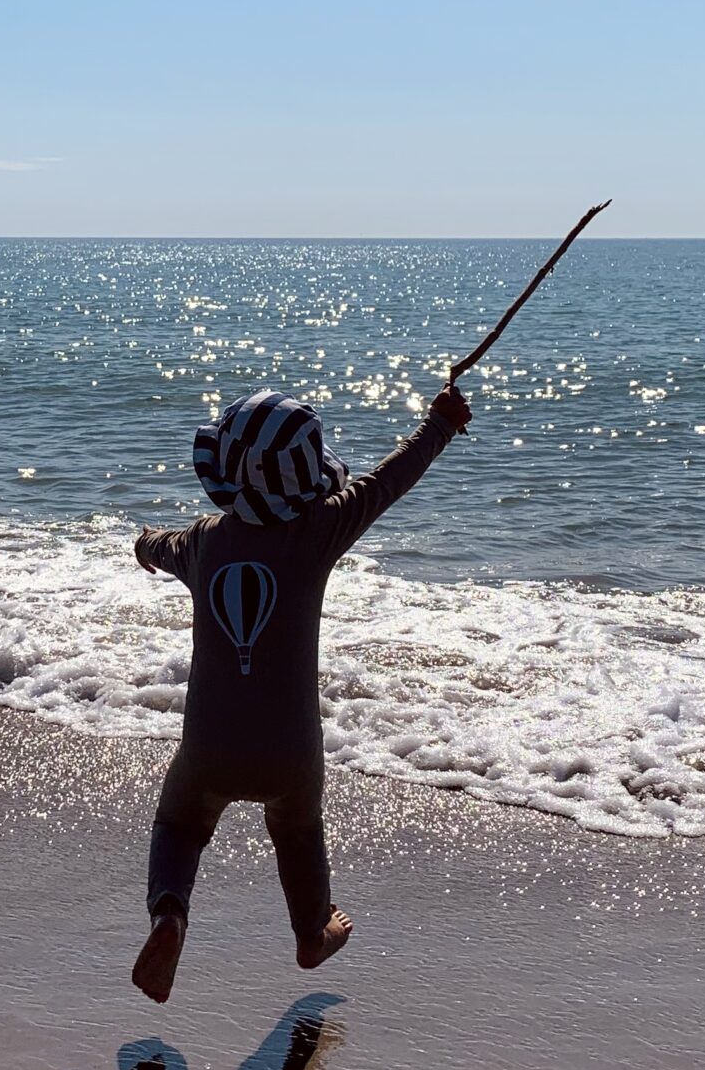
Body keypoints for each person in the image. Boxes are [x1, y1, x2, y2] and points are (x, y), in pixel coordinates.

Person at [130, 373, 473, 1001]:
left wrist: (143, 545)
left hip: (209, 744)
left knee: (178, 824)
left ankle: (169, 915)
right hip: (288, 750)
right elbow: (389, 480)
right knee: (296, 829)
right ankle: (312, 932)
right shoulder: (319, 530)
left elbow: (157, 544)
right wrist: (441, 423)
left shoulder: (203, 542)